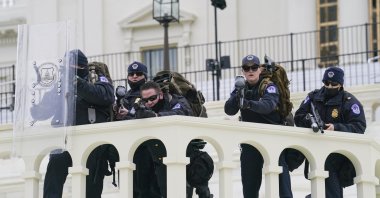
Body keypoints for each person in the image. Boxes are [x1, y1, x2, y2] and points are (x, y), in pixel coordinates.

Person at [42, 49, 116, 198]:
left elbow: (105, 96)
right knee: (55, 167)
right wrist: (33, 107)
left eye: (71, 66)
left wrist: (76, 82)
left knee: (91, 188)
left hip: (92, 142)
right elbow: (44, 110)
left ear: (81, 66)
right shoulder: (60, 84)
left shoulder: (96, 79)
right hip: (65, 140)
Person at [224, 55, 293, 198]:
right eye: (246, 68)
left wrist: (248, 104)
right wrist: (237, 95)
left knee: (282, 185)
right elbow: (229, 110)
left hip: (273, 137)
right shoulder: (241, 86)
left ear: (259, 69)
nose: (250, 71)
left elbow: (268, 106)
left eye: (254, 67)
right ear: (242, 71)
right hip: (251, 140)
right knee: (249, 185)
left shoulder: (269, 86)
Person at [294, 66, 366, 198]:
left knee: (330, 191)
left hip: (339, 154)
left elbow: (359, 126)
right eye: (326, 83)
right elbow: (298, 117)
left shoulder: (349, 101)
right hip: (316, 150)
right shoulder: (313, 97)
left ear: (340, 84)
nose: (330, 86)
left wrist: (336, 128)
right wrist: (310, 121)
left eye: (334, 84)